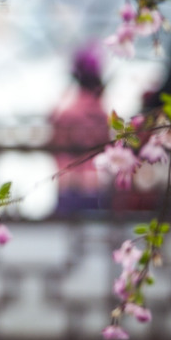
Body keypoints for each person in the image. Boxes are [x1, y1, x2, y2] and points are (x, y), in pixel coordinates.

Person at [49, 44, 111, 213]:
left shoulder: (66, 112)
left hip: (68, 183)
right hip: (94, 184)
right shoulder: (102, 113)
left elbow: (55, 143)